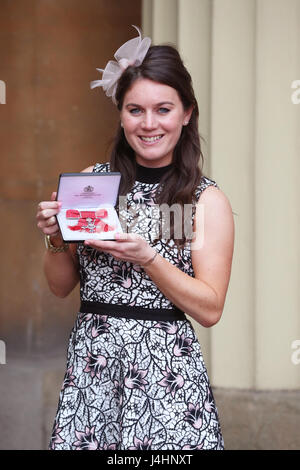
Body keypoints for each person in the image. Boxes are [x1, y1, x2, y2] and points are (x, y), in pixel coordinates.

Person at [36, 26, 234, 450]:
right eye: (135, 110)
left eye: (163, 109)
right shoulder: (91, 183)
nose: (148, 124)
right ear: (120, 113)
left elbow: (211, 308)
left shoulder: (205, 199)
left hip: (167, 386)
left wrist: (149, 258)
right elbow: (61, 286)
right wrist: (55, 239)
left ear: (186, 113)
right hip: (93, 376)